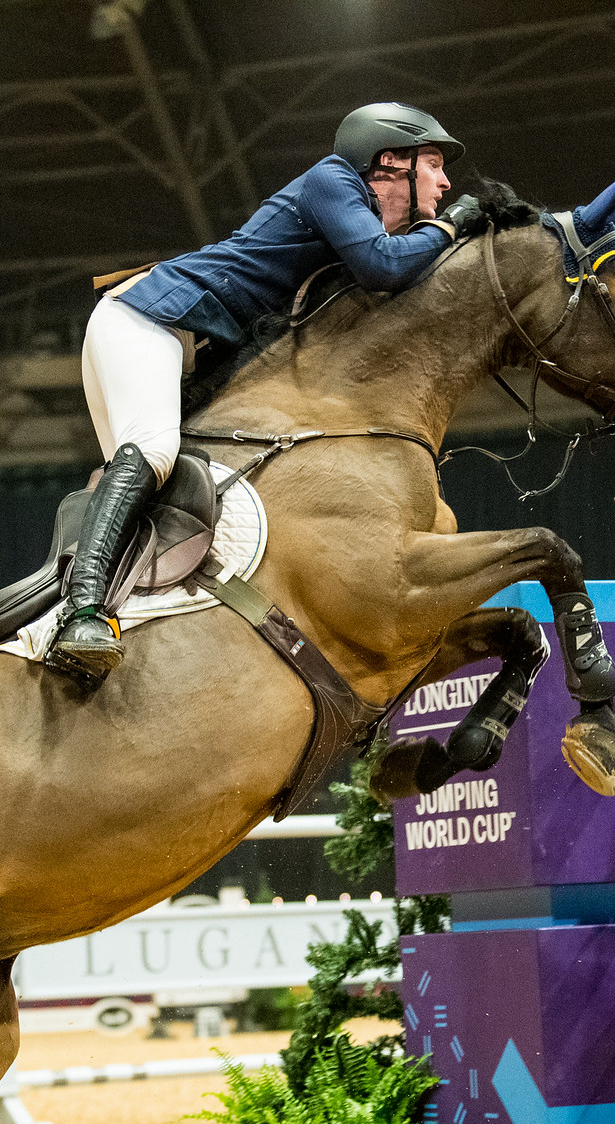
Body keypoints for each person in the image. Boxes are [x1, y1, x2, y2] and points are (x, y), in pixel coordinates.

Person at [46, 101, 484, 687]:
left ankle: (123, 630)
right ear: (390, 162)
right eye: (432, 164)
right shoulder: (333, 179)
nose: (447, 181)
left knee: (168, 492)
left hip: (178, 342)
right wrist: (450, 225)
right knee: (153, 453)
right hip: (149, 319)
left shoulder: (361, 219)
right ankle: (82, 613)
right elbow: (383, 267)